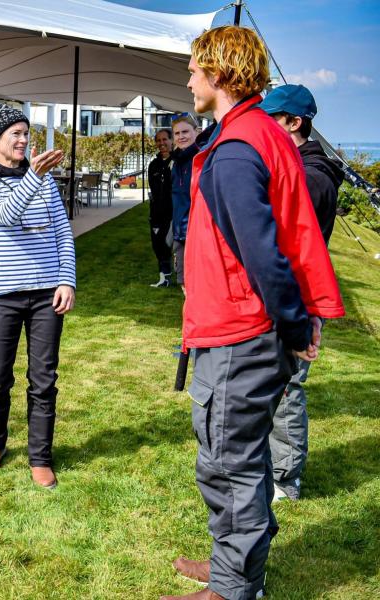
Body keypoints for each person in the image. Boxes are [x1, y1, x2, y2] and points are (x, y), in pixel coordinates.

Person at [162, 26, 345, 600]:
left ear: (218, 74)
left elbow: (265, 252)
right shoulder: (252, 133)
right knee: (234, 459)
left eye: (195, 68)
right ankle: (230, 566)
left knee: (229, 464)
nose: (189, 78)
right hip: (241, 328)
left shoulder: (239, 146)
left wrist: (294, 326)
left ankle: (234, 588)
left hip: (243, 335)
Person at [0, 104, 76, 489]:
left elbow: (63, 233)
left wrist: (67, 280)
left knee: (43, 379)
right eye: (15, 133)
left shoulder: (44, 181)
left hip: (47, 295)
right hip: (4, 297)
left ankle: (40, 456)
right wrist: (34, 174)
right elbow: (5, 216)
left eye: (25, 133)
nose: (23, 139)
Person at [259, 84, 345, 502]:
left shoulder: (312, 177)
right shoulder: (292, 165)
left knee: (288, 388)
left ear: (294, 123)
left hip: (299, 299)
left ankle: (284, 479)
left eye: (272, 119)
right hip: (280, 295)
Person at [170, 114, 199, 292]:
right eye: (177, 133)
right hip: (179, 232)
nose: (181, 136)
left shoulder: (201, 159)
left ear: (196, 132)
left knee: (200, 285)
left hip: (197, 232)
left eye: (185, 132)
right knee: (184, 283)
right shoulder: (175, 163)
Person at [148, 129, 174, 287]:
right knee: (158, 245)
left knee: (171, 244)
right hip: (157, 213)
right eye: (158, 140)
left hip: (175, 212)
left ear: (171, 141)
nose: (162, 143)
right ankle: (164, 277)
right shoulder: (154, 165)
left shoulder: (179, 161)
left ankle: (182, 277)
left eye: (165, 139)